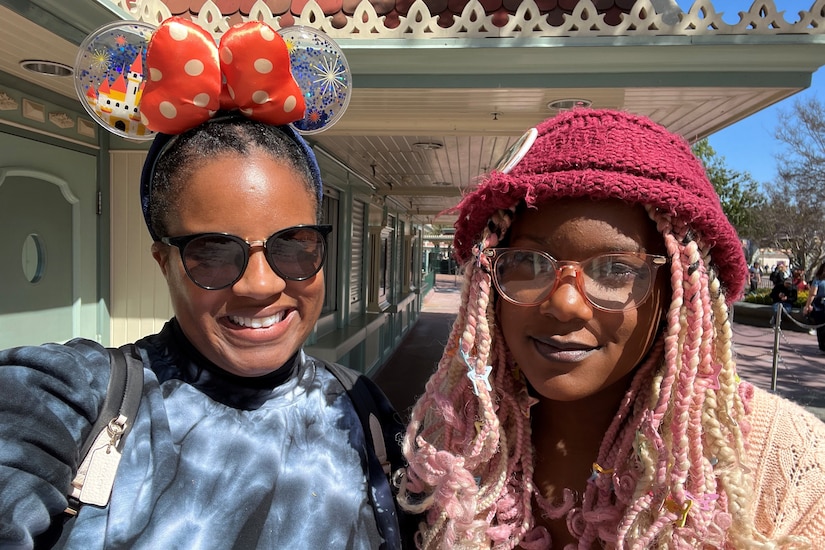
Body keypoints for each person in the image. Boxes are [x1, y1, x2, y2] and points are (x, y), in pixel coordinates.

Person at [0, 18, 409, 549]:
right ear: (163, 262)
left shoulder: (359, 406)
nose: (260, 285)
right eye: (213, 253)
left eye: (293, 244)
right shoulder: (71, 396)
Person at [397, 109, 825, 549]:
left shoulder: (793, 466)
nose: (564, 303)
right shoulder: (450, 446)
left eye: (617, 269)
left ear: (681, 292)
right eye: (527, 261)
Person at [803, 263, 825, 353]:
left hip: (820, 304)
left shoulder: (818, 280)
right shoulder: (817, 280)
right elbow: (813, 294)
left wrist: (807, 305)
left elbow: (813, 294)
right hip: (820, 305)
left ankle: (823, 347)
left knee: (821, 327)